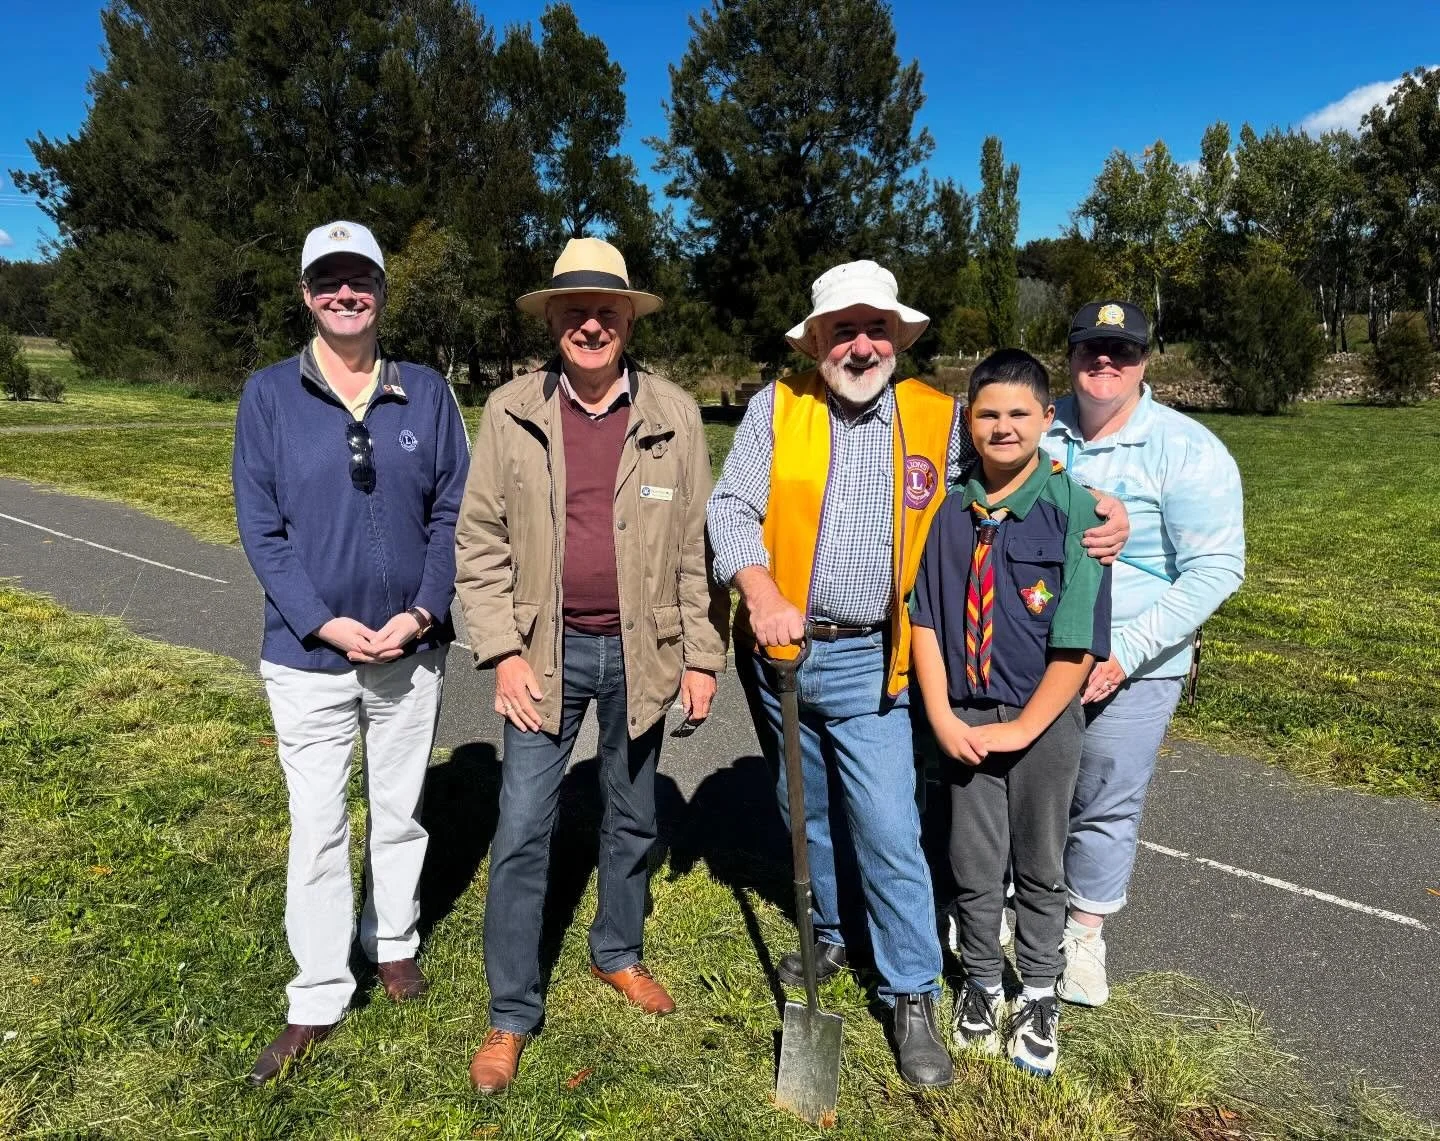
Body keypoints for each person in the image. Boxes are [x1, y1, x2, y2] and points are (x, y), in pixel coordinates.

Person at [706, 261, 1129, 1087]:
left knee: (891, 827)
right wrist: (758, 590)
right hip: (782, 652)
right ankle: (829, 928)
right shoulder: (776, 407)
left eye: (876, 330)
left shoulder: (938, 416)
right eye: (843, 330)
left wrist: (1093, 505)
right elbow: (731, 509)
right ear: (817, 339)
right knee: (806, 807)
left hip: (879, 655)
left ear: (897, 338)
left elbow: (1015, 460)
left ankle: (910, 991)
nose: (861, 345)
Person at [454, 237, 729, 1094]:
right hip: (544, 651)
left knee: (632, 811)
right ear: (554, 321)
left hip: (644, 649)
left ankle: (617, 950)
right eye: (574, 310)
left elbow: (695, 547)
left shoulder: (676, 415)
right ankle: (511, 1011)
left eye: (605, 310)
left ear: (627, 322)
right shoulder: (509, 412)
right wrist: (499, 649)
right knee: (525, 821)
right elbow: (480, 540)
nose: (590, 324)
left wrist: (701, 655)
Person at [232, 220, 471, 1084]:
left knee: (400, 807)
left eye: (359, 277)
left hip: (410, 650)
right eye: (327, 279)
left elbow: (453, 513)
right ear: (306, 293)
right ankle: (319, 990)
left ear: (380, 287)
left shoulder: (427, 393)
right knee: (321, 823)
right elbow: (260, 527)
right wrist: (322, 622)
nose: (344, 293)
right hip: (309, 660)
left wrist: (422, 610)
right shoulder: (267, 396)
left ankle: (393, 939)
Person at [909, 349, 1111, 1077]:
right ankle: (982, 984)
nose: (1002, 426)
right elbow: (926, 618)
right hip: (964, 716)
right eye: (988, 412)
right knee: (972, 858)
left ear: (1047, 421)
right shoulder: (948, 512)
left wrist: (1025, 727)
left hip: (1043, 721)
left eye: (1019, 413)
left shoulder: (1076, 512)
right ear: (969, 419)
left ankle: (1039, 989)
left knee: (1040, 859)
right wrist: (940, 715)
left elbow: (1079, 640)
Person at [1045, 301, 1245, 1007]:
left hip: (1134, 662)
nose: (1104, 362)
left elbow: (1217, 568)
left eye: (1121, 351)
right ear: (1068, 354)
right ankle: (1019, 911)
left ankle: (1083, 934)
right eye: (1091, 348)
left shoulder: (1188, 449)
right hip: (1033, 652)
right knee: (1023, 790)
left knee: (1103, 799)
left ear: (1144, 361)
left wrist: (1126, 651)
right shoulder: (1041, 427)